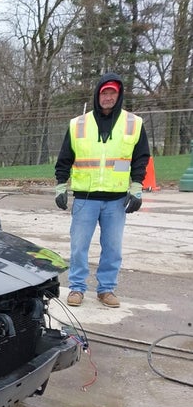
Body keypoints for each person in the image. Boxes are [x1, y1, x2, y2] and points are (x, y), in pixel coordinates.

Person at [54, 73, 150, 308]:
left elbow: (140, 158)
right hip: (86, 198)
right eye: (104, 93)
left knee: (113, 247)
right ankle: (77, 288)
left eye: (112, 93)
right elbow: (65, 157)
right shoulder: (78, 124)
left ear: (119, 96)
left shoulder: (133, 123)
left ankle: (106, 289)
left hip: (116, 199)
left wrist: (136, 187)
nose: (108, 97)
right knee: (78, 246)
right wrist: (60, 185)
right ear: (98, 96)